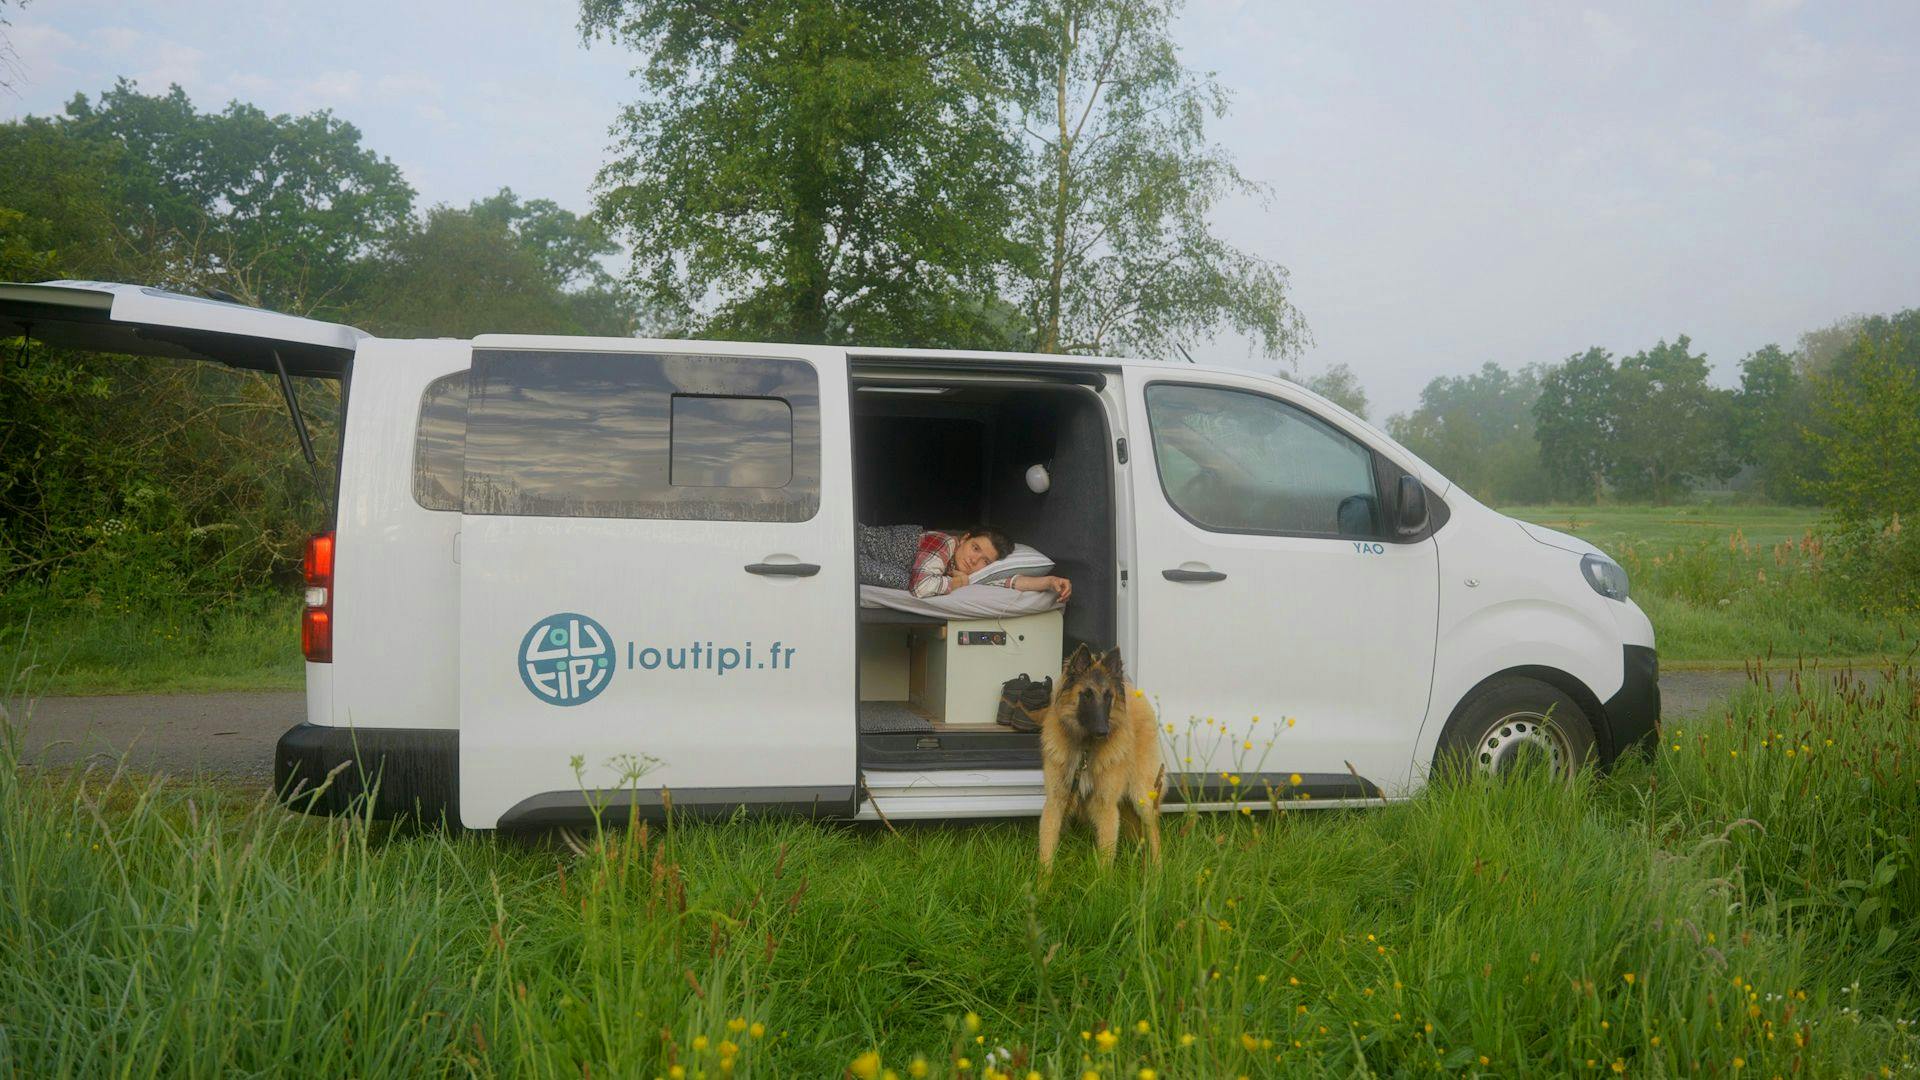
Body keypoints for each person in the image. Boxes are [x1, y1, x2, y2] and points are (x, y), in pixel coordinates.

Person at [857, 523, 1072, 602]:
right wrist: (958, 583)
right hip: (855, 542)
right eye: (975, 548)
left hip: (860, 558)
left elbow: (1008, 581)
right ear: (965, 539)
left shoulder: (970, 572)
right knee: (905, 580)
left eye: (984, 560)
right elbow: (921, 587)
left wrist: (1051, 582)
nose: (973, 560)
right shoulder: (944, 543)